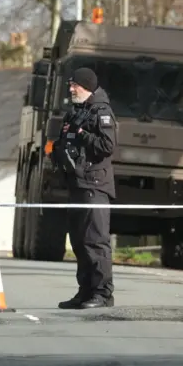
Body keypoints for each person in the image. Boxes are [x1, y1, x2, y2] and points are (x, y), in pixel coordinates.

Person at [52, 67, 117, 309]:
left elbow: (107, 146)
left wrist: (82, 135)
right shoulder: (76, 113)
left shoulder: (102, 112)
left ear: (86, 86)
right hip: (76, 184)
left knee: (95, 241)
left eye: (74, 85)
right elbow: (65, 142)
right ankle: (85, 291)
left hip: (95, 186)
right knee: (78, 241)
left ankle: (102, 294)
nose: (70, 89)